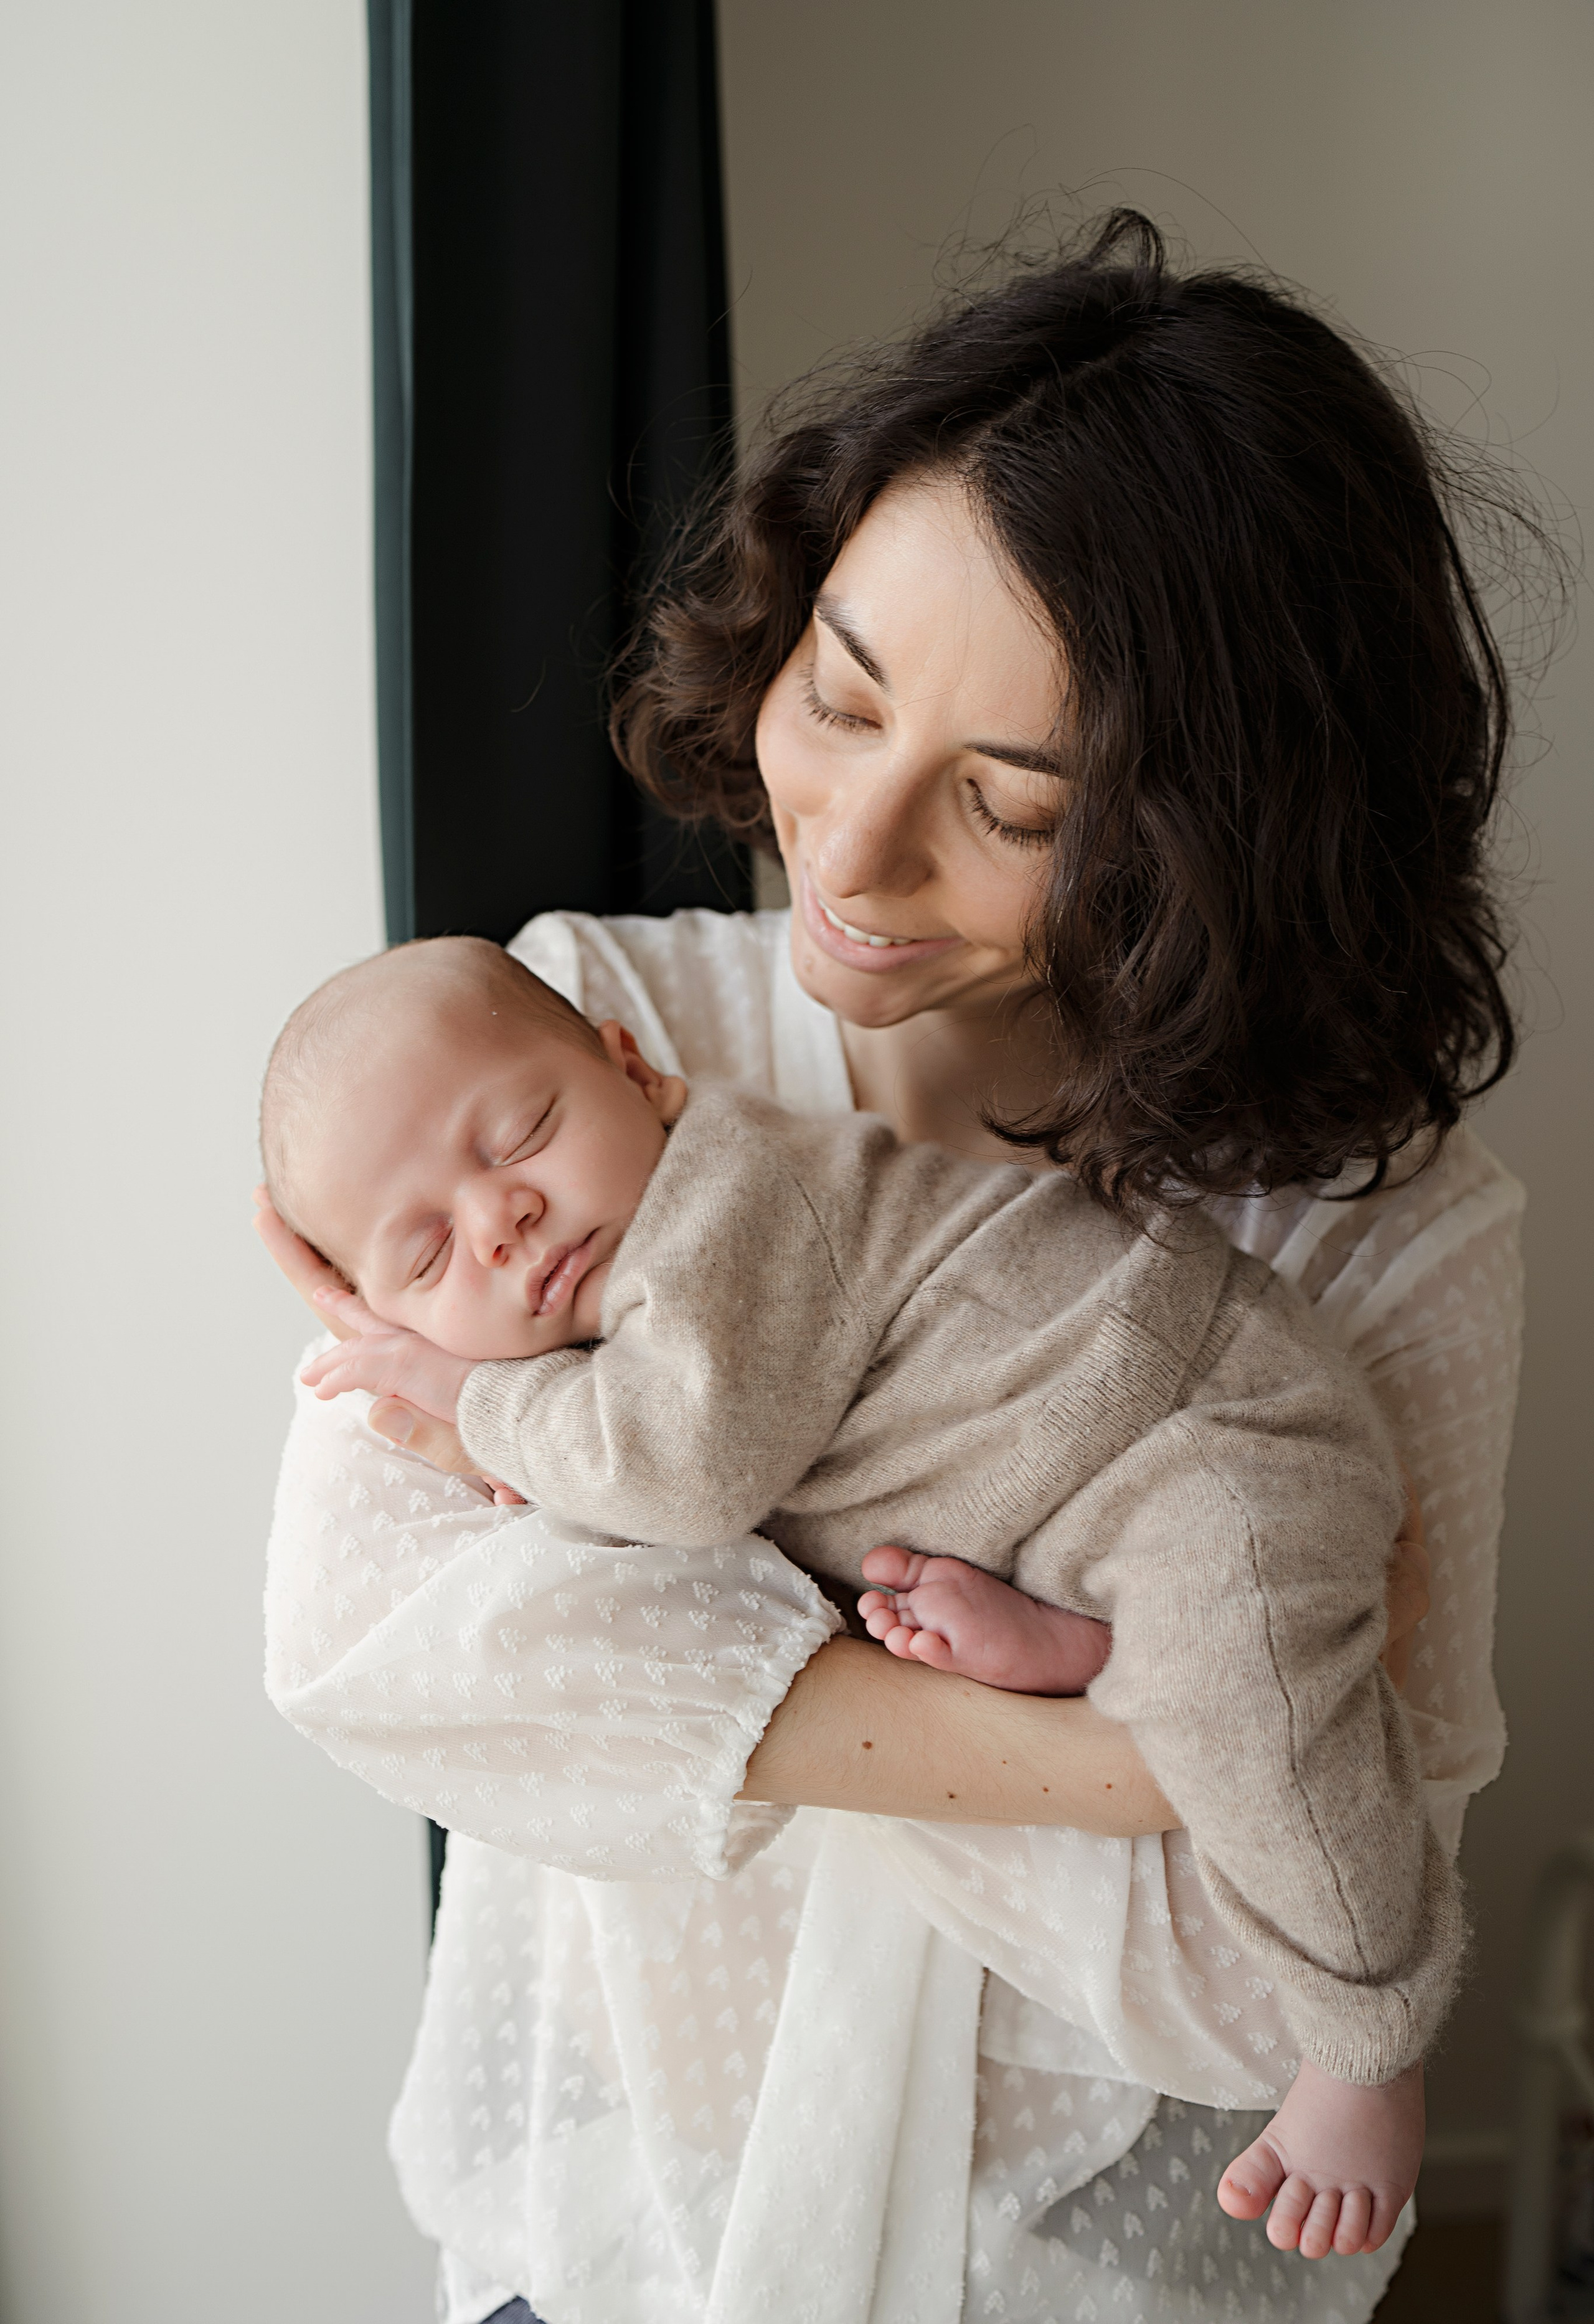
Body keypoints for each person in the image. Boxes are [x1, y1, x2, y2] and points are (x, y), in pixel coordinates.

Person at [258, 212, 1527, 2323]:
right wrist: (1147, 1754)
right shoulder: (560, 1054)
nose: (844, 853)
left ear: (1214, 838)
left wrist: (662, 1653)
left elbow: (1271, 1975)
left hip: (1087, 2270)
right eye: (836, 699)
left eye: (1010, 806)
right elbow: (376, 1657)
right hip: (608, 2233)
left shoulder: (1376, 1236)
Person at [260, 930, 1453, 2253]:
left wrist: (477, 1403)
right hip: (1056, 1492)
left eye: (521, 1132)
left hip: (1196, 1425)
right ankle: (1083, 1646)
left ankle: (1368, 2039)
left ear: (632, 1069)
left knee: (1254, 1705)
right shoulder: (613, 1328)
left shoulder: (723, 1201)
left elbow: (684, 1474)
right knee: (1100, 1642)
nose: (500, 1221)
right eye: (424, 1258)